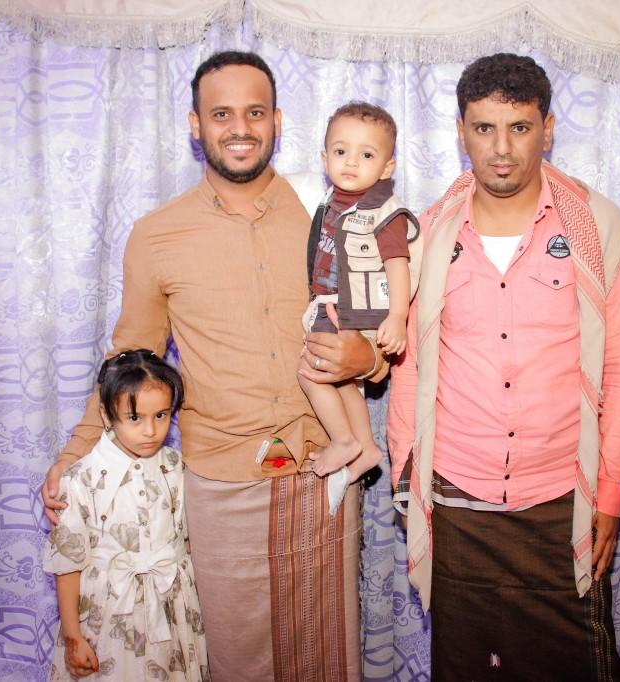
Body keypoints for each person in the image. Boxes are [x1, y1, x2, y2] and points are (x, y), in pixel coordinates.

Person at [41, 51, 385, 681]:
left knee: (326, 651)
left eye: (255, 112)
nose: (240, 127)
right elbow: (131, 360)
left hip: (324, 468)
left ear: (277, 121)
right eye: (221, 114)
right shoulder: (157, 234)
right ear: (195, 125)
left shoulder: (327, 217)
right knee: (236, 656)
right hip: (223, 480)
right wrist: (75, 454)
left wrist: (370, 359)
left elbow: (376, 323)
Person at [388, 53, 620, 681]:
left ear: (547, 129)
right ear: (461, 131)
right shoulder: (428, 233)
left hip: (561, 500)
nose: (501, 149)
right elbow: (409, 367)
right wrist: (406, 475)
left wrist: (610, 496)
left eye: (520, 128)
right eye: (484, 128)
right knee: (467, 668)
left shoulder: (597, 227)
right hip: (456, 500)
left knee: (579, 666)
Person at [44, 349, 208, 681]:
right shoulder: (80, 479)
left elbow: (189, 540)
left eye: (161, 415)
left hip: (172, 610)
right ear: (107, 416)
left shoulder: (177, 467)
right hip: (108, 616)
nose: (151, 430)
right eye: (135, 418)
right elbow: (67, 565)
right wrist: (74, 636)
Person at [300, 102, 420, 514]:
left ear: (387, 167)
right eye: (340, 151)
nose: (351, 162)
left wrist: (397, 318)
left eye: (366, 154)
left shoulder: (382, 211)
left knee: (310, 372)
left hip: (357, 309)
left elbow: (398, 265)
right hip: (336, 305)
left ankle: (344, 440)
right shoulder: (331, 202)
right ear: (324, 159)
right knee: (344, 382)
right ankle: (366, 447)